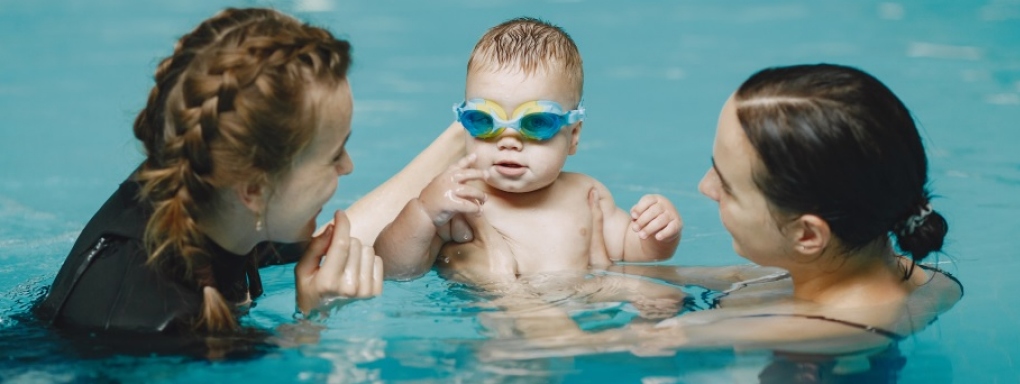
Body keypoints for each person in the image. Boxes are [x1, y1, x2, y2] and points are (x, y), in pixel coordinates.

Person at [483, 64, 964, 367]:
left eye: (726, 185)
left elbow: (569, 349)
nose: (703, 188)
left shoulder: (824, 326)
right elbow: (739, 279)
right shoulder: (887, 272)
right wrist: (605, 272)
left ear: (807, 235)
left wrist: (496, 278)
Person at [32, 8, 465, 337]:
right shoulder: (155, 328)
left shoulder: (206, 171)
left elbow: (343, 238)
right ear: (254, 190)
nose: (348, 167)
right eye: (335, 154)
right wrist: (312, 323)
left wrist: (470, 132)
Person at [373, 18, 683, 285]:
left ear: (573, 135)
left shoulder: (586, 195)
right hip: (495, 329)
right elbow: (395, 270)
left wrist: (659, 234)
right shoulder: (460, 201)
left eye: (535, 123)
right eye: (483, 121)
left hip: (584, 317)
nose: (508, 140)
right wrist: (423, 213)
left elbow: (635, 253)